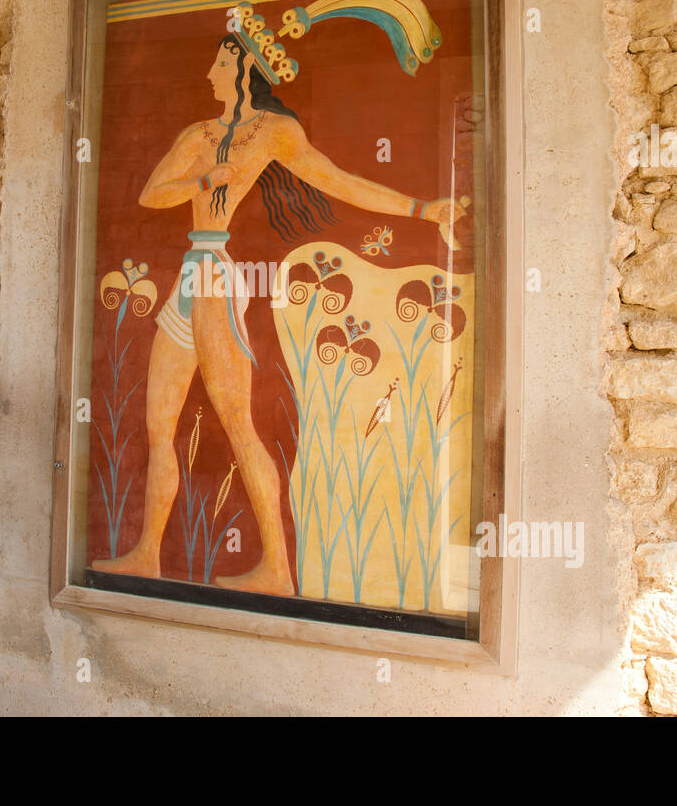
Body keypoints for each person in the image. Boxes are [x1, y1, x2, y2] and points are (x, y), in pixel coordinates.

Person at [91, 32, 458, 596]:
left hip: (216, 277)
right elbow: (151, 195)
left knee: (238, 425)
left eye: (218, 61)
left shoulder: (276, 133)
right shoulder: (199, 135)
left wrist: (420, 209)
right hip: (191, 271)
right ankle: (146, 556)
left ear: (243, 68)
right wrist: (202, 178)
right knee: (157, 425)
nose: (210, 73)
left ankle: (278, 570)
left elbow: (338, 182)